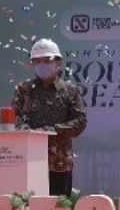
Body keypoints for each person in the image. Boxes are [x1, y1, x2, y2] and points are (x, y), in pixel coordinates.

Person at [11, 38, 88, 197]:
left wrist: (50, 131)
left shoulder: (70, 91)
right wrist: (26, 132)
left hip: (59, 161)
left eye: (47, 60)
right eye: (37, 61)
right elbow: (12, 115)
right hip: (28, 159)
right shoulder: (24, 89)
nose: (42, 65)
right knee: (28, 207)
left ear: (58, 62)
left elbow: (80, 122)